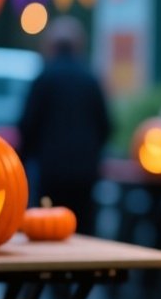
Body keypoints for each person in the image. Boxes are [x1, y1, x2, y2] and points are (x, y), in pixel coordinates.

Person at [18, 18, 110, 231]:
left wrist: (25, 160)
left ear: (50, 46)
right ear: (78, 45)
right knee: (83, 227)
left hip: (51, 170)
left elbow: (28, 124)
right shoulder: (90, 80)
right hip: (85, 172)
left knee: (49, 227)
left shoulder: (44, 79)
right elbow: (105, 125)